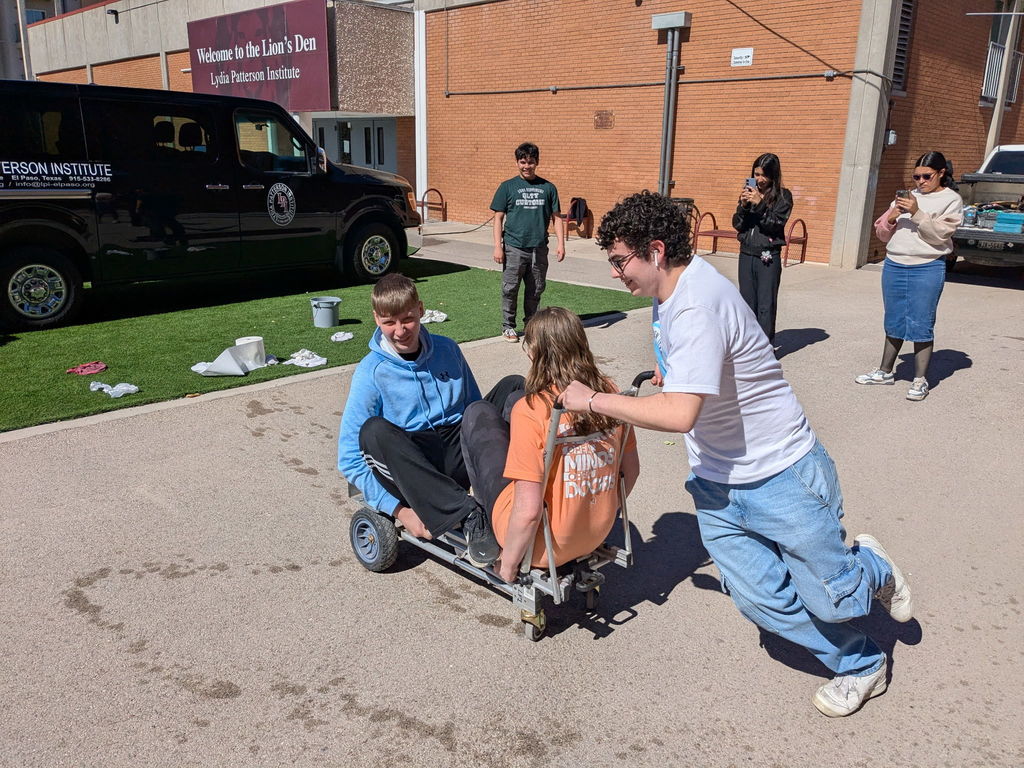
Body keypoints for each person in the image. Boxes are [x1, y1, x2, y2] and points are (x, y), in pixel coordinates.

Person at [560, 191, 914, 718]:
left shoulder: (697, 303)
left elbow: (681, 415)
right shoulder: (670, 294)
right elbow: (699, 369)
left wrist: (590, 400)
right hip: (716, 483)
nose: (615, 274)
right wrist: (677, 374)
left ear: (655, 251)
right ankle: (861, 663)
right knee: (760, 600)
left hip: (781, 473)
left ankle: (873, 569)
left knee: (831, 598)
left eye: (619, 261)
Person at [337, 273, 522, 567]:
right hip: (415, 467)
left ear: (421, 310)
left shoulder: (447, 349)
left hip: (456, 448)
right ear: (376, 319)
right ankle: (469, 515)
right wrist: (400, 511)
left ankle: (525, 489)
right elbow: (348, 458)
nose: (400, 330)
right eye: (389, 322)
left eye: (407, 319)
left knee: (514, 386)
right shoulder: (371, 371)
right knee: (374, 430)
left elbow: (476, 410)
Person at [459, 307, 639, 584]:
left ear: (535, 352)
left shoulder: (533, 409)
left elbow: (530, 511)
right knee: (513, 396)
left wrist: (508, 566)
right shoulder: (609, 393)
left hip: (543, 549)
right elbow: (631, 472)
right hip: (594, 533)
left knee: (478, 413)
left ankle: (482, 516)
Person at [857, 151, 964, 401]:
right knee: (893, 318)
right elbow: (882, 234)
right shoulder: (905, 197)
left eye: (926, 176)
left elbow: (940, 235)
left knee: (921, 322)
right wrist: (892, 218)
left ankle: (919, 380)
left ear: (941, 174)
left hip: (927, 266)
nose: (920, 182)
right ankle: (884, 371)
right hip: (894, 264)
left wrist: (916, 213)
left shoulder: (951, 200)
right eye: (916, 176)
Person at [490, 142, 566, 343]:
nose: (527, 166)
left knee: (536, 289)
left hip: (538, 248)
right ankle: (508, 326)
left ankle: (531, 325)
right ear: (517, 162)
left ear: (537, 162)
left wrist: (561, 244)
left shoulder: (548, 188)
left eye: (531, 162)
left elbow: (557, 217)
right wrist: (498, 246)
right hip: (514, 247)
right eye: (523, 162)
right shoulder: (507, 187)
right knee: (510, 288)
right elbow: (498, 218)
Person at [732, 152, 793, 346]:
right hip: (747, 253)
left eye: (763, 175)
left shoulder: (784, 197)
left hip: (767, 255)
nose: (759, 179)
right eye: (756, 174)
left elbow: (774, 225)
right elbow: (738, 225)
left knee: (765, 305)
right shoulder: (749, 193)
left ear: (773, 175)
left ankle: (765, 347)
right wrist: (742, 206)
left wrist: (760, 205)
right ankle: (748, 345)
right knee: (747, 303)